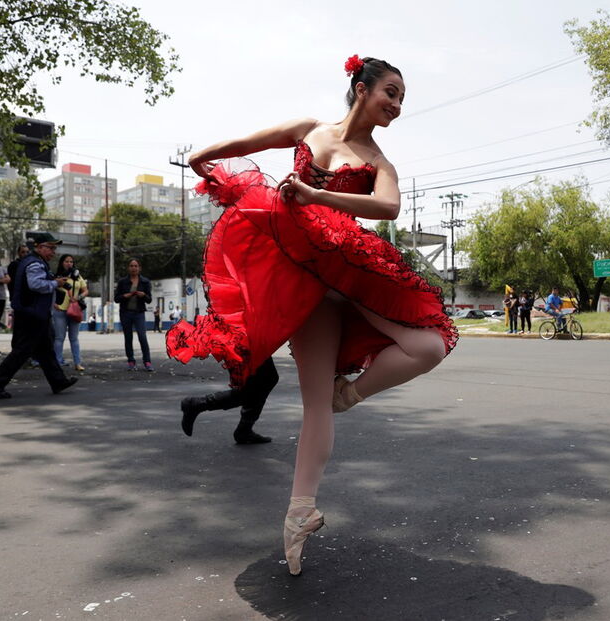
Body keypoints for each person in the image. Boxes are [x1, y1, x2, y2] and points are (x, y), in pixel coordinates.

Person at [166, 55, 456, 576]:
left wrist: (314, 194)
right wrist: (203, 157)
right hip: (299, 277)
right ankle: (299, 514)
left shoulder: (380, 164)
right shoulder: (310, 129)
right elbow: (248, 143)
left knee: (429, 345)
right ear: (361, 88)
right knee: (313, 406)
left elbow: (388, 209)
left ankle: (353, 392)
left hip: (346, 271)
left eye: (402, 98)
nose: (396, 104)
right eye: (391, 92)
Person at [0, 233, 78, 399]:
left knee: (45, 350)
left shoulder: (34, 262)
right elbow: (35, 284)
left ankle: (58, 381)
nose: (53, 252)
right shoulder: (35, 263)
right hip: (32, 314)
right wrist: (56, 283)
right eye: (50, 248)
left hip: (34, 313)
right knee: (22, 351)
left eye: (54, 248)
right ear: (39, 247)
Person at [180, 357, 277, 445]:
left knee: (261, 380)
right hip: (244, 339)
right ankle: (198, 404)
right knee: (261, 381)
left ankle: (244, 430)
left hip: (246, 339)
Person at [115, 258, 153, 371]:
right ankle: (131, 361)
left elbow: (149, 299)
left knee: (142, 336)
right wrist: (124, 296)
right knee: (128, 337)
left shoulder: (145, 282)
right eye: (131, 266)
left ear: (139, 268)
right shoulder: (122, 282)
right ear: (128, 268)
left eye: (136, 266)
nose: (133, 268)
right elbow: (116, 299)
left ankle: (147, 361)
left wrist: (143, 295)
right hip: (125, 313)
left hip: (139, 313)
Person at [52, 254, 88, 371]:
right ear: (62, 263)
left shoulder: (77, 276)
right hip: (60, 310)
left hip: (74, 310)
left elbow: (86, 290)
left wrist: (78, 298)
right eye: (66, 261)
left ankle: (77, 363)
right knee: (59, 338)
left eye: (71, 262)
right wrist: (53, 303)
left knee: (74, 338)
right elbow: (50, 290)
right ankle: (57, 362)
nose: (69, 264)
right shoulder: (57, 276)